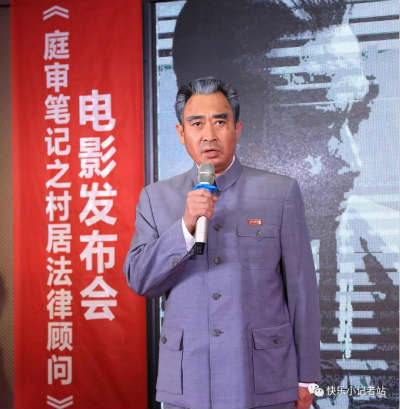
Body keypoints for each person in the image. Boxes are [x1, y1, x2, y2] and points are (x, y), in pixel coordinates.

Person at [173, 2, 398, 408]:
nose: (352, 163)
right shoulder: (177, 247)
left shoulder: (389, 259)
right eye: (314, 124)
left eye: (358, 115)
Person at [124, 78, 321, 409]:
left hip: (264, 379)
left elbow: (302, 291)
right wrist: (185, 225)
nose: (209, 135)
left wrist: (307, 378)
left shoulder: (279, 192)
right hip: (188, 382)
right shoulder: (156, 198)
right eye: (196, 124)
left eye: (220, 122)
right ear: (180, 133)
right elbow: (140, 279)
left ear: (237, 129)